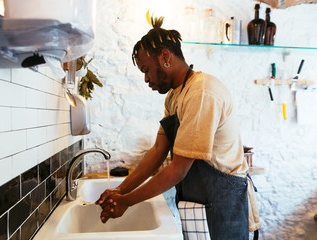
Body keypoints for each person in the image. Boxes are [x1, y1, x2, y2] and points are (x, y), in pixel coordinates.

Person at [95, 16, 260, 240]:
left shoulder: (201, 92)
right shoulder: (175, 96)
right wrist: (120, 190)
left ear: (165, 57)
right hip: (201, 201)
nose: (145, 79)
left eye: (146, 69)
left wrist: (127, 201)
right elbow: (157, 152)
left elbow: (178, 169)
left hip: (223, 202)